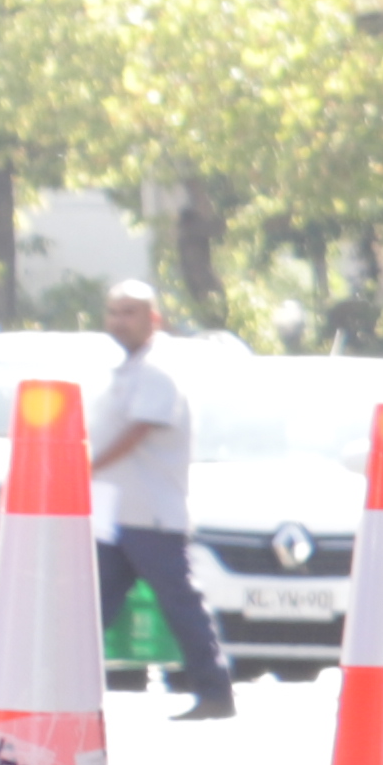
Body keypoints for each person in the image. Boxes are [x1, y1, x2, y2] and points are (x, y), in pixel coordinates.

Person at [81, 280, 238, 722]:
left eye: (130, 312)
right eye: (113, 311)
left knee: (178, 602)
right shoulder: (128, 368)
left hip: (150, 512)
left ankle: (215, 691)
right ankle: (67, 688)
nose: (119, 320)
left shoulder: (157, 370)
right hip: (119, 510)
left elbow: (136, 431)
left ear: (154, 319)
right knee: (95, 602)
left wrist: (85, 465)